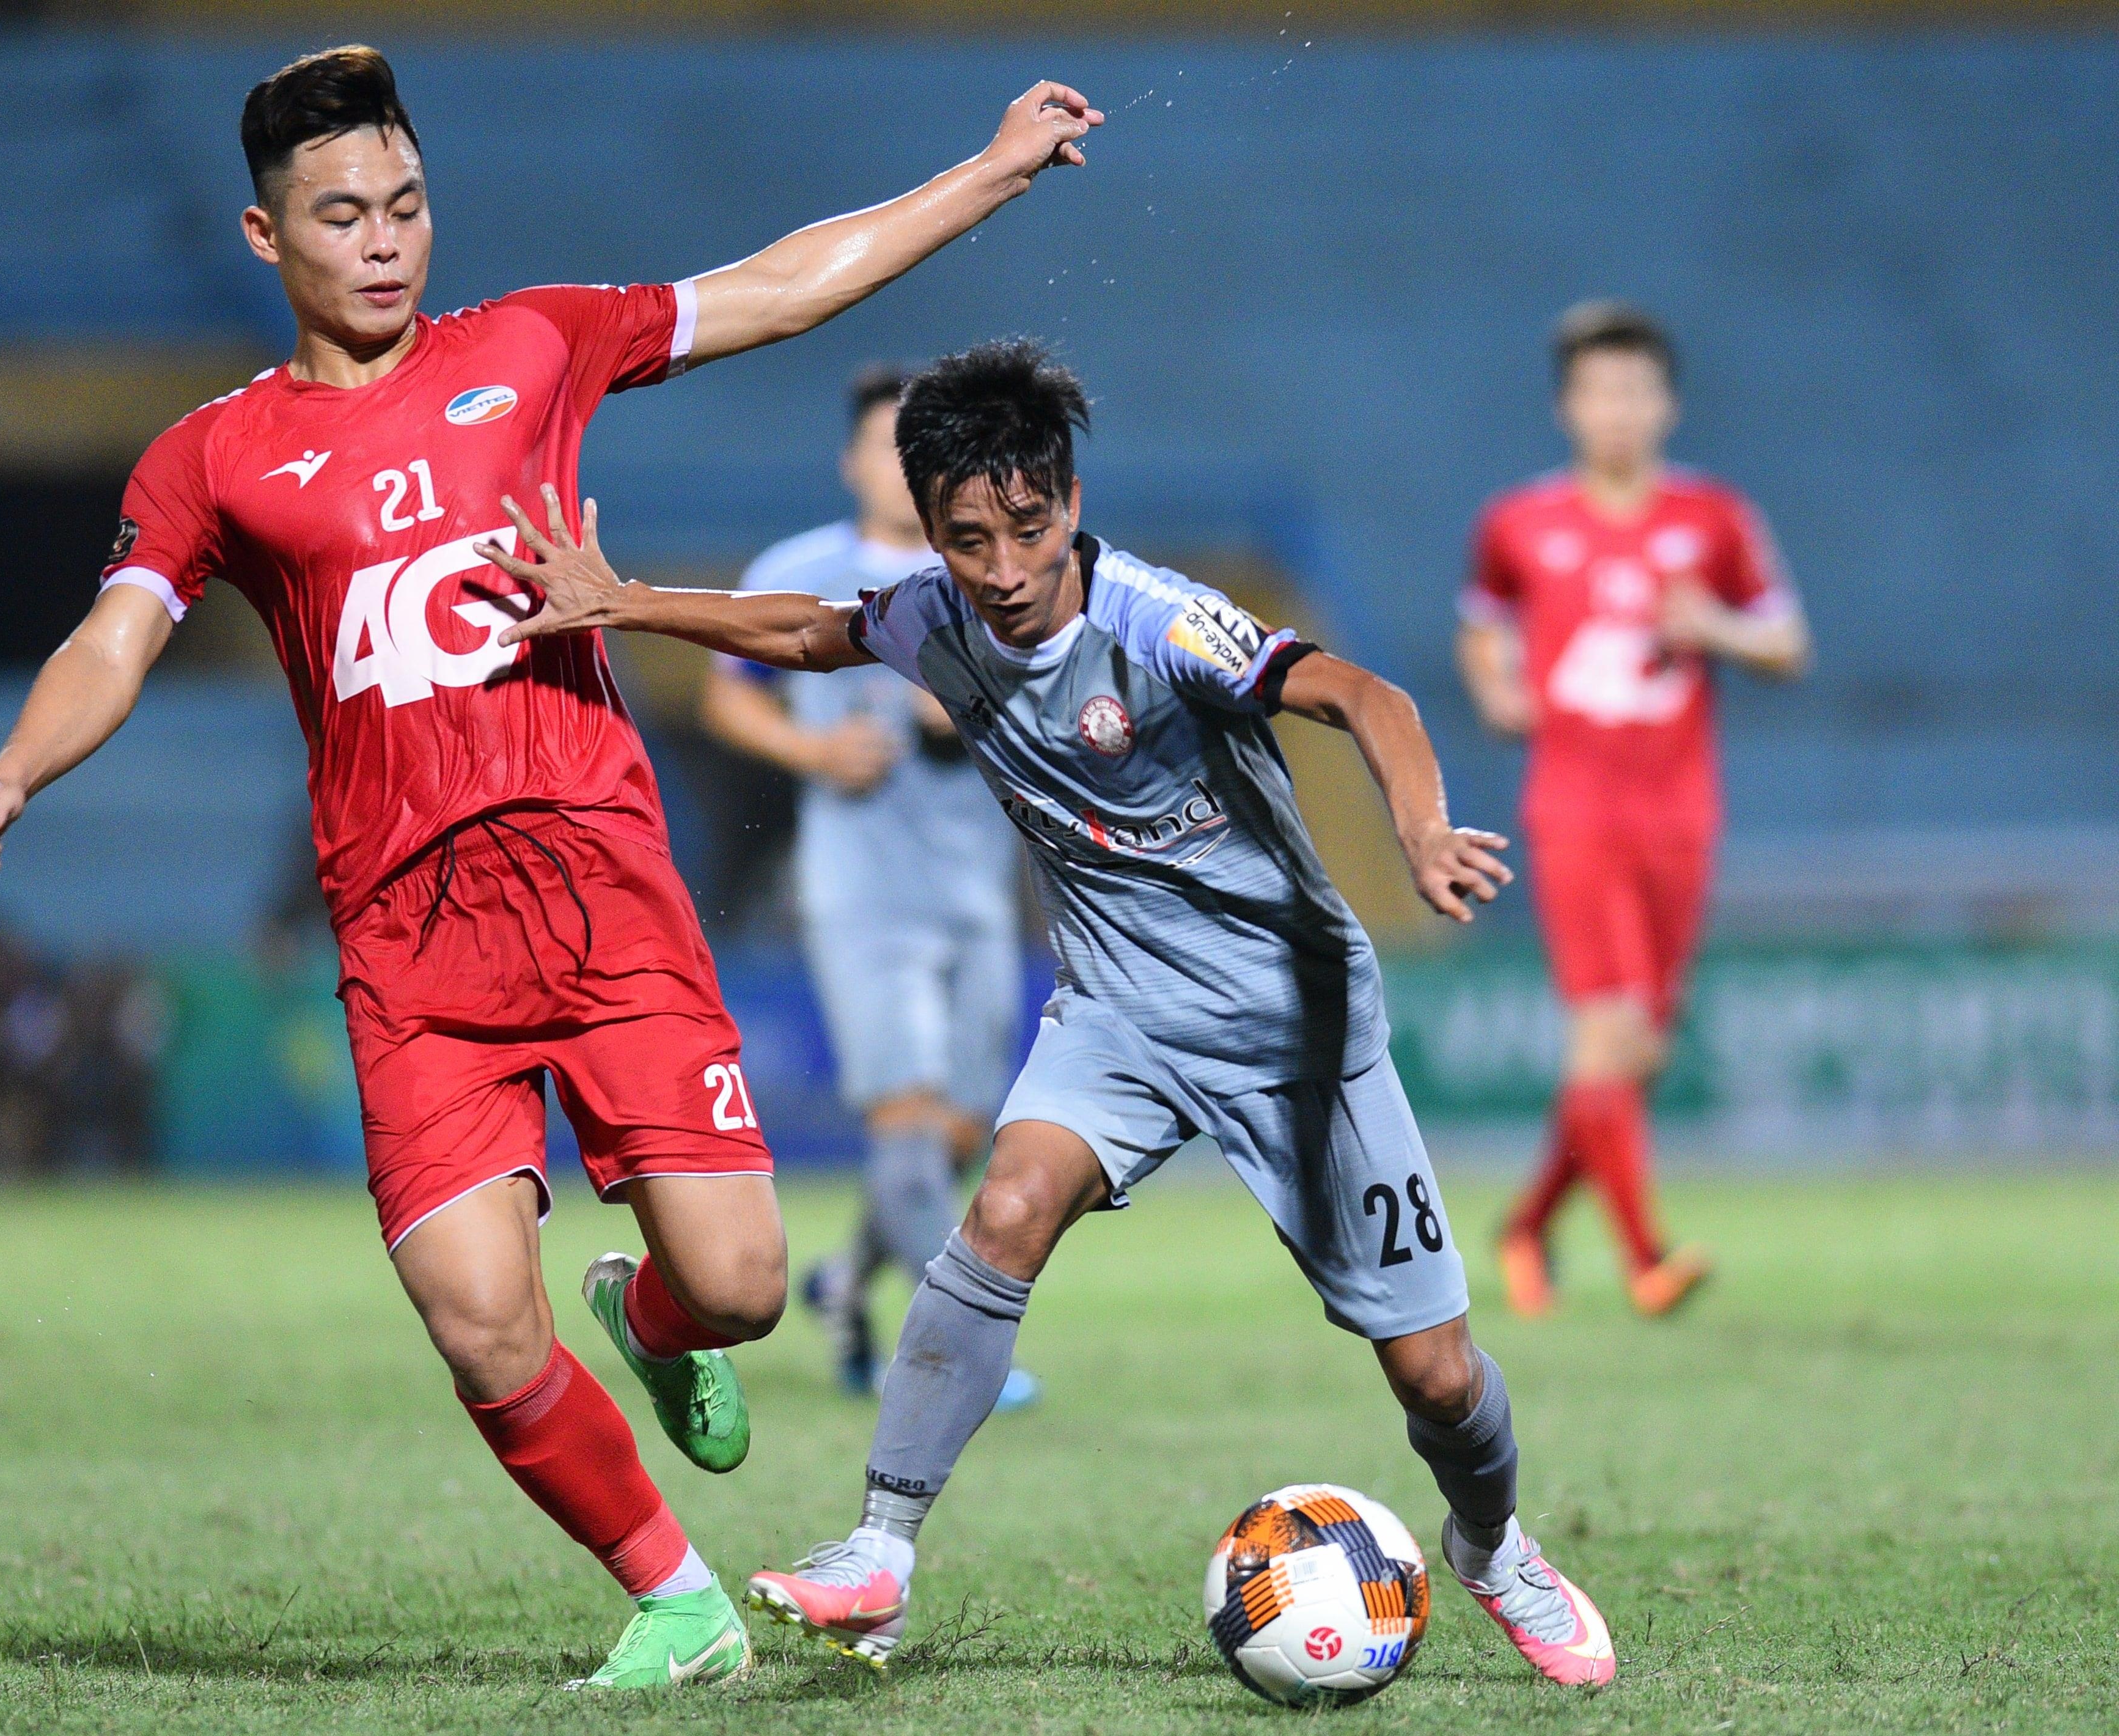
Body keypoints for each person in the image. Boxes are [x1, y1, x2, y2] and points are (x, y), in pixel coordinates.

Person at [0, 45, 1105, 1691]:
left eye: (406, 204)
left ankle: (655, 1326)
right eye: (341, 216)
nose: (385, 241)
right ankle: (676, 1606)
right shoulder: (211, 460)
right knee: (477, 1316)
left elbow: (771, 291)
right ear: (267, 241)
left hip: (598, 889)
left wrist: (980, 174)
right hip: (407, 937)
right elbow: (114, 640)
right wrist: (9, 774)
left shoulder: (532, 345)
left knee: (743, 1286)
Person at [476, 339, 1618, 1688]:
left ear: (1070, 500)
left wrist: (1421, 831)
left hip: (1294, 1027)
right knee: (1007, 1204)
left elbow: (1364, 694)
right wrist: (621, 603)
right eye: (970, 540)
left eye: (1028, 530)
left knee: (1434, 1375)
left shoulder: (1161, 623)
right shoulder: (933, 616)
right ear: (933, 531)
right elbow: (805, 631)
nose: (1006, 569)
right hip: (1121, 1018)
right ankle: (880, 1549)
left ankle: (1493, 1548)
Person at [1456, 303, 1810, 1320]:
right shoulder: (1520, 523)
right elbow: (1482, 626)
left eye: (1634, 391)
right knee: (1604, 1032)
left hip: (1679, 808)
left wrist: (1715, 627)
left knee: (1640, 1049)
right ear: (1569, 408)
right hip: (1572, 804)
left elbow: (1787, 644)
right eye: (1597, 392)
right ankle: (1646, 1257)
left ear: (1667, 404)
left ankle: (1526, 1227)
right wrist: (1495, 690)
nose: (1616, 411)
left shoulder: (1714, 519)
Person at [699, 365, 1035, 1406]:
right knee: (903, 1117)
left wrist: (974, 707)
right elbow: (728, 698)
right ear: (851, 463)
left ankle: (845, 1283)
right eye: (885, 449)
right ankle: (955, 1359)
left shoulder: (992, 571)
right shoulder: (800, 569)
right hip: (860, 889)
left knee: (957, 1130)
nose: (903, 470)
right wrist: (811, 756)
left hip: (978, 887)